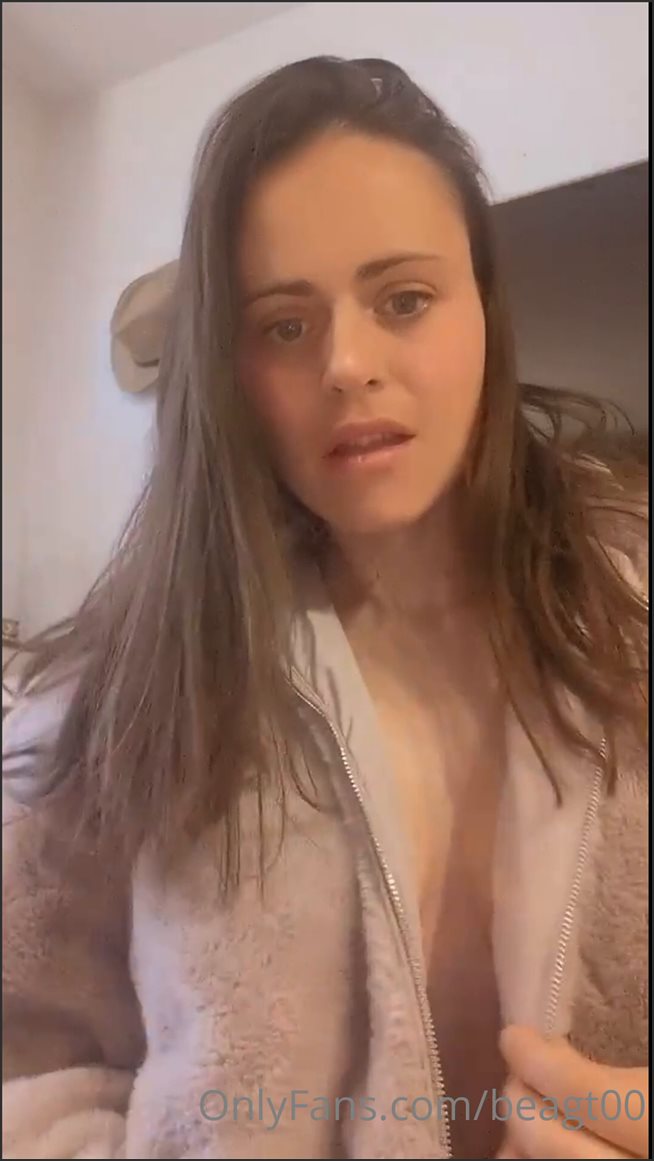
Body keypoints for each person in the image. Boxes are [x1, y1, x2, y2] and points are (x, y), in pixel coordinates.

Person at [2, 56, 648, 1161]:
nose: (349, 364)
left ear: (484, 310)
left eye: (405, 300)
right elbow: (25, 1057)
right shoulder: (124, 689)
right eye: (285, 327)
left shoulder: (633, 614)